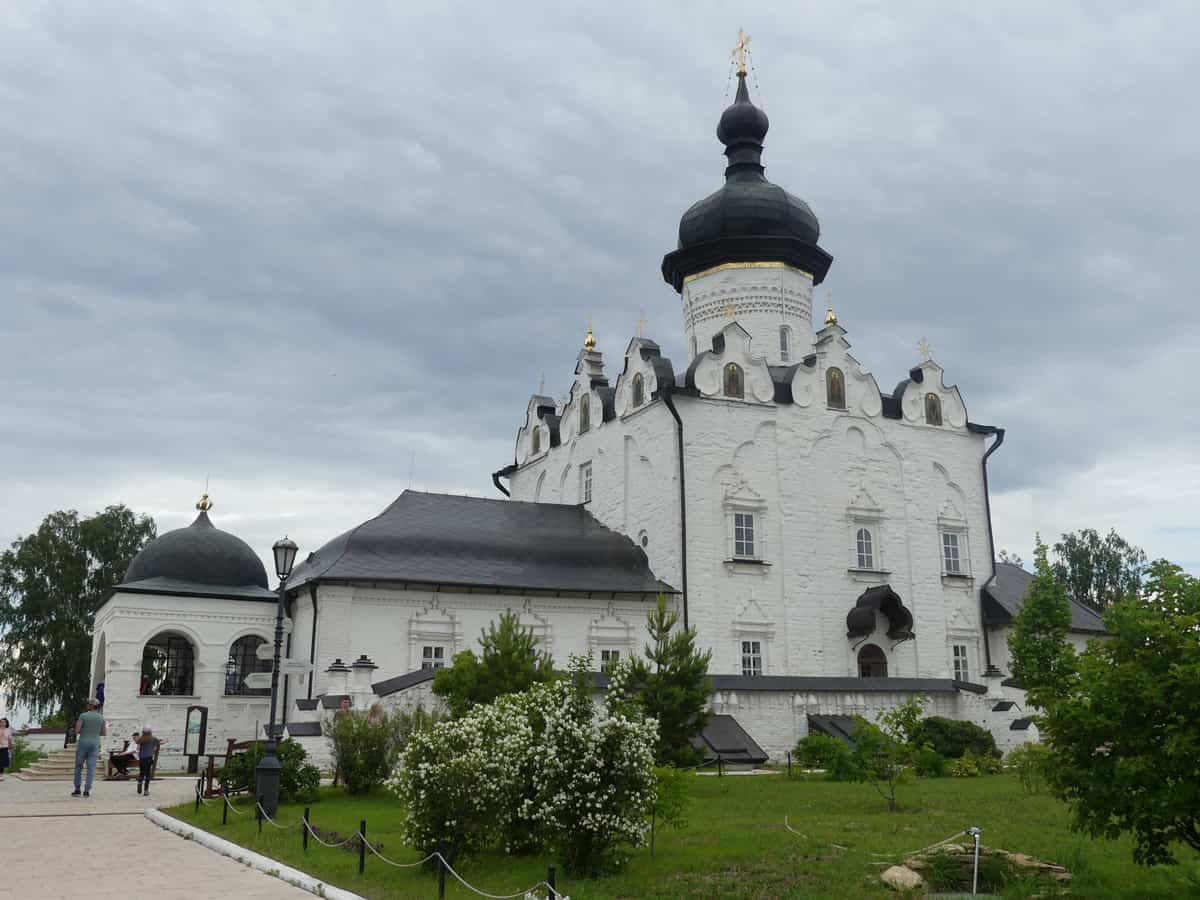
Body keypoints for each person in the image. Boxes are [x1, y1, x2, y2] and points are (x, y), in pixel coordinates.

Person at [72, 699, 107, 797]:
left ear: (91, 705)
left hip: (83, 742)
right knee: (91, 768)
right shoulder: (101, 718)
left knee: (79, 766)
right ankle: (87, 790)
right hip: (95, 743)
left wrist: (84, 730)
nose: (87, 705)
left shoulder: (83, 715)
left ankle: (77, 788)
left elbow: (77, 730)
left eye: (88, 704)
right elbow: (104, 733)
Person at [135, 726, 163, 797]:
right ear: (150, 732)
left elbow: (137, 744)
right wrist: (164, 741)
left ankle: (140, 783)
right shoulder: (153, 738)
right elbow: (158, 743)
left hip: (141, 758)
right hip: (149, 758)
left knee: (142, 772)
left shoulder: (141, 739)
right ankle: (146, 790)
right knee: (147, 774)